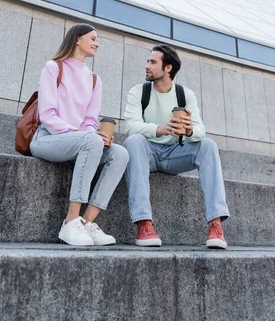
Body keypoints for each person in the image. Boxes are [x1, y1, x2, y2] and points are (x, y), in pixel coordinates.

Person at [30, 23, 128, 246]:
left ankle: (86, 223)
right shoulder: (54, 68)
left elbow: (91, 121)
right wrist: (81, 134)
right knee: (91, 139)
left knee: (120, 153)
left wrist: (98, 136)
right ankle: (70, 221)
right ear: (77, 39)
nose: (97, 43)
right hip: (48, 138)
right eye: (92, 38)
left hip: (81, 141)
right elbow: (47, 114)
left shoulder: (94, 79)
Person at [123, 44, 229, 248]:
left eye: (152, 62)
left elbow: (200, 130)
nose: (147, 66)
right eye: (148, 61)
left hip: (175, 154)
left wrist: (189, 131)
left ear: (168, 68)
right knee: (134, 141)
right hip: (148, 153)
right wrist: (160, 129)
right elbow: (131, 126)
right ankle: (144, 223)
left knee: (207, 145)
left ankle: (215, 226)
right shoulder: (138, 92)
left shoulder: (185, 94)